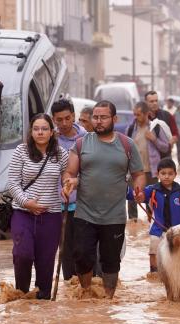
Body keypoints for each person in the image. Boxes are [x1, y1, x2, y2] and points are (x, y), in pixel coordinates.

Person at [62, 100, 146, 298]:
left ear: (114, 119)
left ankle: (109, 299)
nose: (98, 121)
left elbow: (138, 173)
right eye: (96, 117)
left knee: (110, 262)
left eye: (103, 117)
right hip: (85, 213)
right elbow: (69, 172)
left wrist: (139, 189)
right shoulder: (81, 143)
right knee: (82, 256)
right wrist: (69, 182)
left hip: (114, 215)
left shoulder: (127, 144)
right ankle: (86, 293)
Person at [6, 113, 68, 299]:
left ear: (51, 132)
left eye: (44, 129)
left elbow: (68, 176)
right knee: (22, 255)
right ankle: (22, 295)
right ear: (31, 132)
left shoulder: (61, 154)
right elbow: (12, 183)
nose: (40, 132)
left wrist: (67, 186)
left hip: (51, 216)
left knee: (46, 262)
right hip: (23, 213)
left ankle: (43, 303)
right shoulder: (21, 151)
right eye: (36, 129)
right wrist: (27, 202)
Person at [139, 158, 180, 278]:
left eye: (170, 174)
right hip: (157, 229)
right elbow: (139, 196)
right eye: (163, 173)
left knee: (179, 252)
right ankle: (154, 273)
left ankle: (179, 274)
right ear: (157, 174)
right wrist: (136, 194)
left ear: (175, 174)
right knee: (154, 249)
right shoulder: (152, 189)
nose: (166, 176)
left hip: (177, 231)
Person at [51, 99, 87, 282]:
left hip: (84, 205)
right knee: (65, 251)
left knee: (84, 250)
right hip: (59, 206)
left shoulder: (86, 139)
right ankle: (70, 287)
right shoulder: (50, 141)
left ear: (73, 116)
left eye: (67, 118)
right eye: (59, 120)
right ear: (53, 120)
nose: (64, 123)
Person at [126, 101, 169, 220]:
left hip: (151, 171)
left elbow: (165, 147)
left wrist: (154, 139)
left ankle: (151, 223)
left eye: (138, 114)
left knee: (151, 200)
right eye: (134, 114)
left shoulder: (156, 128)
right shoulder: (130, 129)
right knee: (132, 200)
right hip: (134, 171)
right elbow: (125, 149)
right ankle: (133, 227)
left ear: (147, 114)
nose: (136, 117)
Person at [144, 91, 178, 156]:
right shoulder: (142, 118)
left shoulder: (167, 116)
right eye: (151, 101)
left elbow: (175, 135)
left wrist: (169, 145)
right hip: (148, 157)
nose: (155, 103)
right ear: (146, 102)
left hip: (165, 156)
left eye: (156, 101)